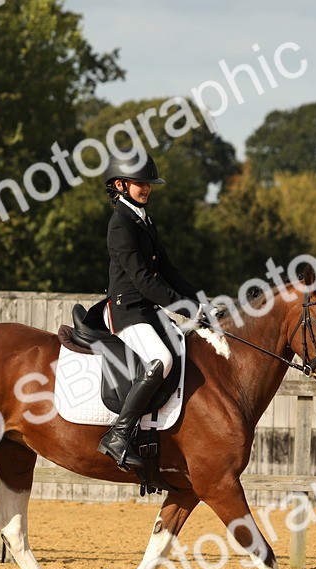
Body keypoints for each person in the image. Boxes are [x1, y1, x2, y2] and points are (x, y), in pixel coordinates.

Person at [98, 152, 204, 470]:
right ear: (120, 184)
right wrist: (184, 307)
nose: (146, 188)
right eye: (140, 183)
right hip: (126, 311)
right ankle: (118, 435)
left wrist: (200, 301)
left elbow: (168, 270)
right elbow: (144, 281)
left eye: (148, 184)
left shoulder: (143, 219)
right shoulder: (121, 224)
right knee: (162, 361)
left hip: (146, 310)